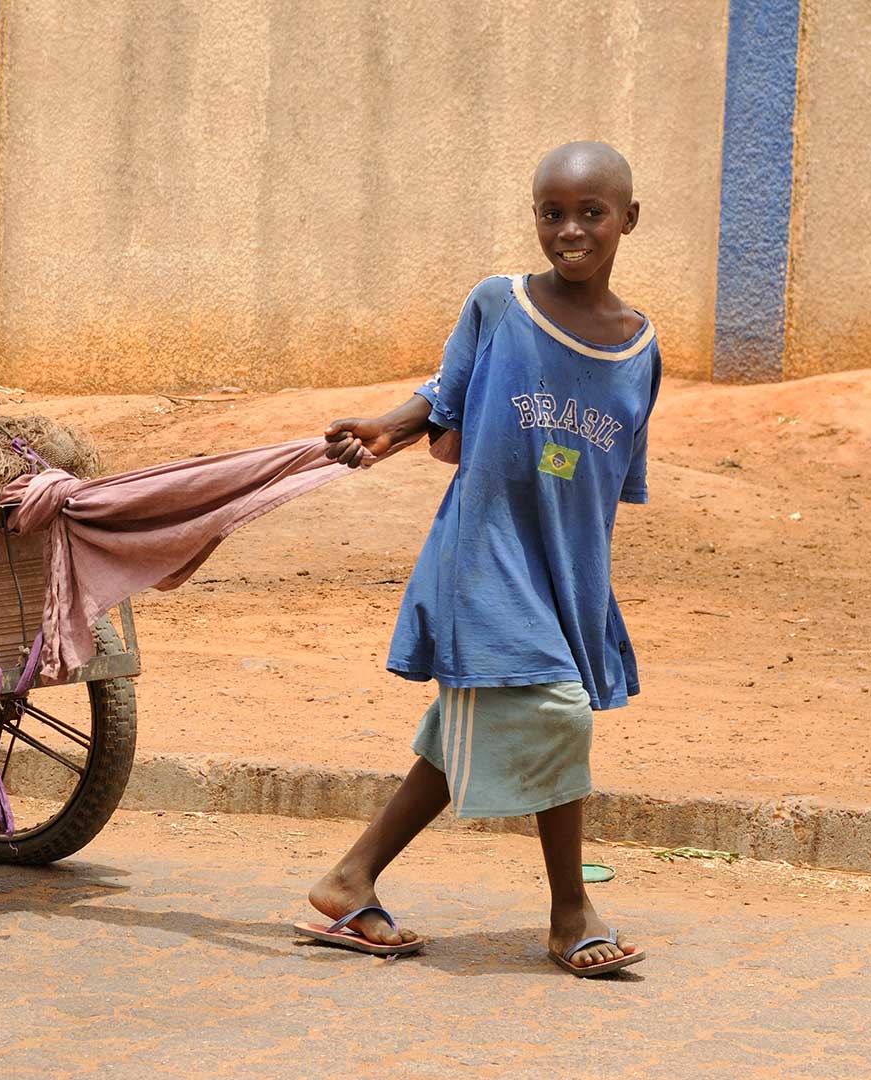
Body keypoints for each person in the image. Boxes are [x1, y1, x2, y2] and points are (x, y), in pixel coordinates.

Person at [294, 141, 660, 976]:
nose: (570, 230)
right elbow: (443, 400)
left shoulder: (641, 349)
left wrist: (591, 591)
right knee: (557, 710)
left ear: (627, 221)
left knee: (474, 729)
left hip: (566, 572)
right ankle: (572, 912)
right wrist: (390, 426)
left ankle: (351, 877)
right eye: (551, 213)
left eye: (591, 213)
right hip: (484, 557)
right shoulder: (501, 305)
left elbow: (605, 484)